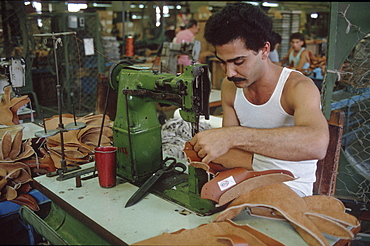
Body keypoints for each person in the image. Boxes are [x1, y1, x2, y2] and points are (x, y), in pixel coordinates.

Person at [189, 3, 329, 197]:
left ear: (264, 50)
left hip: (292, 191)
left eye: (239, 62)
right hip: (245, 181)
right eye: (223, 62)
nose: (229, 73)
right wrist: (283, 156)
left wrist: (233, 136)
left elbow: (317, 144)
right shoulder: (230, 87)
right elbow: (229, 155)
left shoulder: (297, 87)